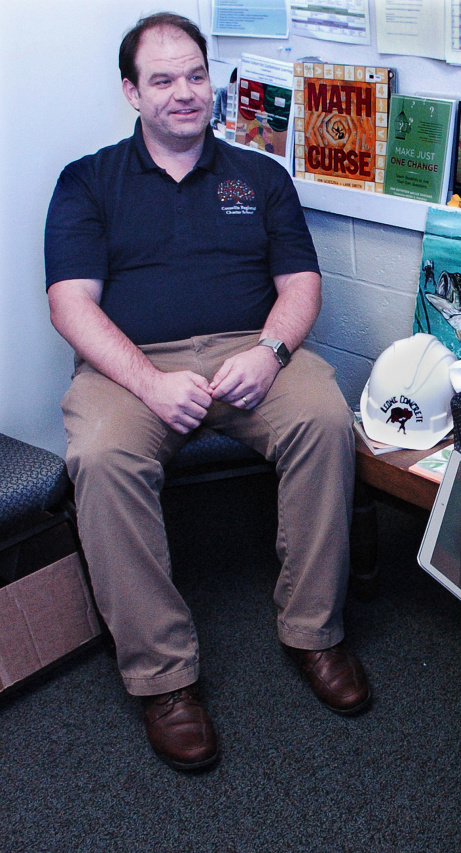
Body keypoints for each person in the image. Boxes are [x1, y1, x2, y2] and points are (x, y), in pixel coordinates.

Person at [44, 13, 370, 773]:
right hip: (132, 364)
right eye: (162, 80)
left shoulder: (259, 177)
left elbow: (300, 283)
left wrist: (271, 350)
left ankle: (314, 632)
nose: (184, 93)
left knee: (323, 414)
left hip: (247, 352)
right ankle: (164, 679)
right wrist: (152, 384)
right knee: (100, 455)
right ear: (131, 92)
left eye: (195, 74)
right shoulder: (87, 181)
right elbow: (71, 306)